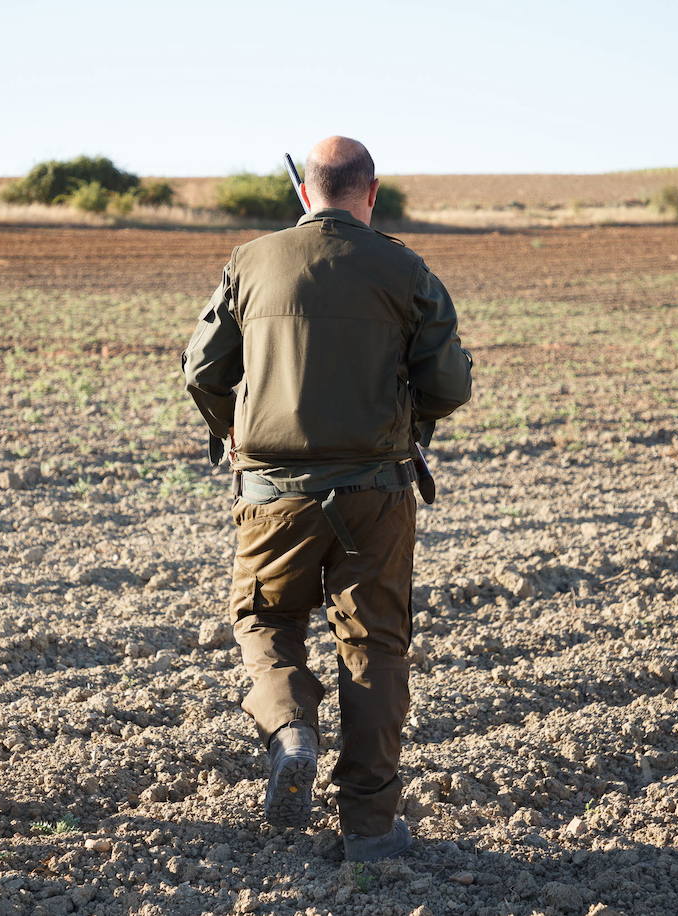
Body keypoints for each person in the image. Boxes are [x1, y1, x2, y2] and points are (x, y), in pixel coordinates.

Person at [181, 136, 472, 862]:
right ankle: (371, 834)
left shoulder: (252, 260)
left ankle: (291, 732)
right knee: (374, 645)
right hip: (376, 494)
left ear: (305, 193)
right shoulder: (405, 267)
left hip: (272, 494)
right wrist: (408, 425)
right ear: (371, 194)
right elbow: (451, 384)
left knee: (266, 619)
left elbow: (201, 371)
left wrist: (237, 437)